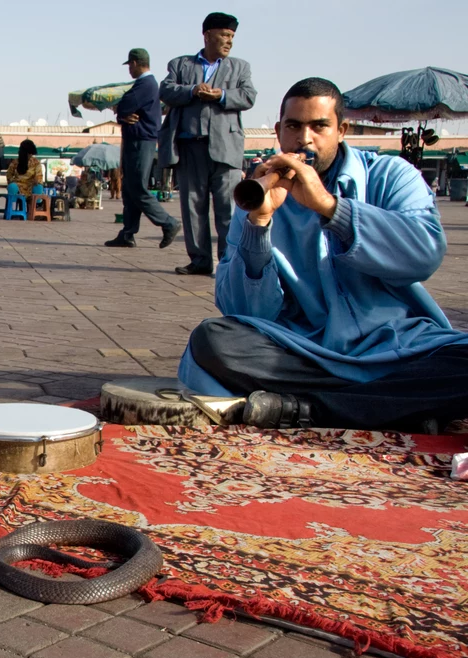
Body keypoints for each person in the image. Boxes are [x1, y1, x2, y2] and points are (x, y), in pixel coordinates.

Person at [178, 77, 468, 433]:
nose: (304, 139)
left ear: (342, 130)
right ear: (278, 131)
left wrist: (330, 208)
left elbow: (425, 254)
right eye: (294, 126)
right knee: (213, 340)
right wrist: (259, 223)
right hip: (305, 349)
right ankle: (393, 405)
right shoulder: (258, 195)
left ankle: (310, 409)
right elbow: (241, 309)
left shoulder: (391, 175)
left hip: (396, 344)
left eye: (319, 126)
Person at [159, 12, 256, 275]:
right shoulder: (180, 64)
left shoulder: (240, 67)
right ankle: (199, 261)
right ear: (207, 35)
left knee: (228, 209)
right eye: (225, 35)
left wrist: (221, 94)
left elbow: (248, 97)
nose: (229, 41)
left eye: (232, 37)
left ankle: (228, 261)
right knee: (193, 208)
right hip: (190, 146)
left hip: (226, 148)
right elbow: (166, 90)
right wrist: (192, 91)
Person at [107, 48, 183, 249]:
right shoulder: (145, 84)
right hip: (137, 138)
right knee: (130, 188)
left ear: (134, 63)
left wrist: (121, 112)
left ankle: (168, 222)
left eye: (130, 66)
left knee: (138, 187)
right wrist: (122, 115)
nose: (129, 70)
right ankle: (128, 232)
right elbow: (124, 110)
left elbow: (125, 104)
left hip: (141, 140)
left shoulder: (145, 84)